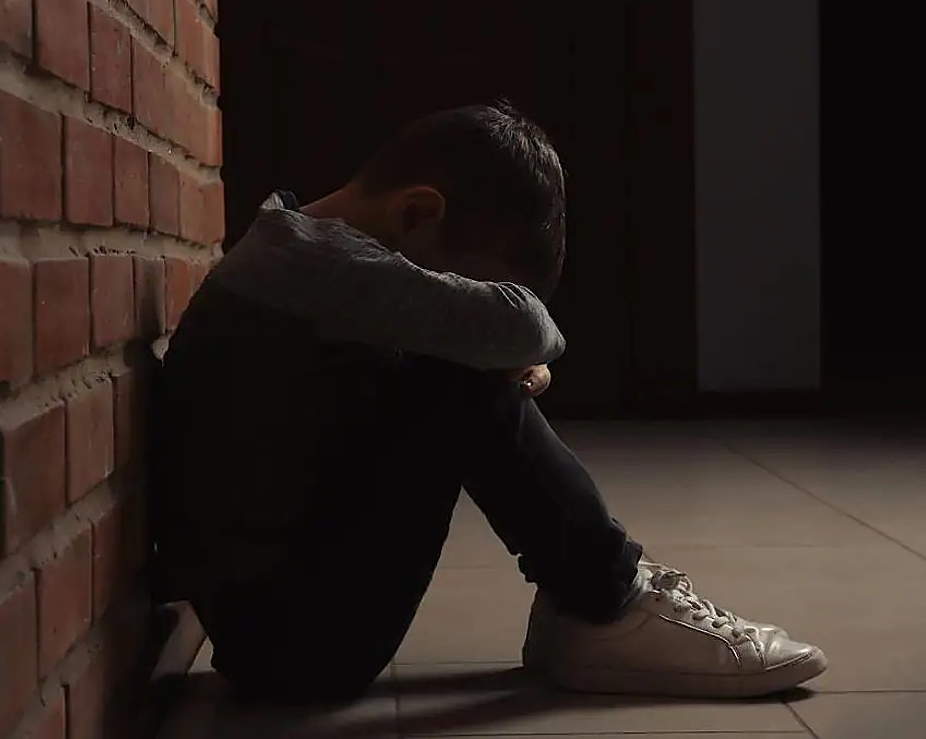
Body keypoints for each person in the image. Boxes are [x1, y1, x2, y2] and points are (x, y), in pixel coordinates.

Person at [152, 101, 827, 702]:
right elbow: (523, 327)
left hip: (269, 631)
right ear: (417, 214)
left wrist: (479, 348)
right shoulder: (316, 264)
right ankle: (604, 601)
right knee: (458, 376)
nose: (451, 299)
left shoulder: (290, 249)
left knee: (451, 365)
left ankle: (590, 596)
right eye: (458, 283)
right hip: (299, 651)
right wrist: (485, 351)